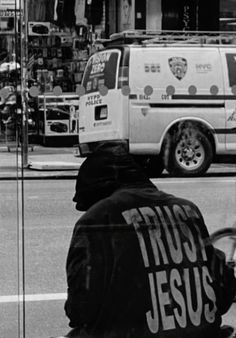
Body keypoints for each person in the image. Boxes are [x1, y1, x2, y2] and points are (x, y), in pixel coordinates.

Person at [59, 141, 236, 338]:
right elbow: (223, 294)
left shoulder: (97, 220)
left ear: (97, 193)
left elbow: (80, 310)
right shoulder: (188, 211)